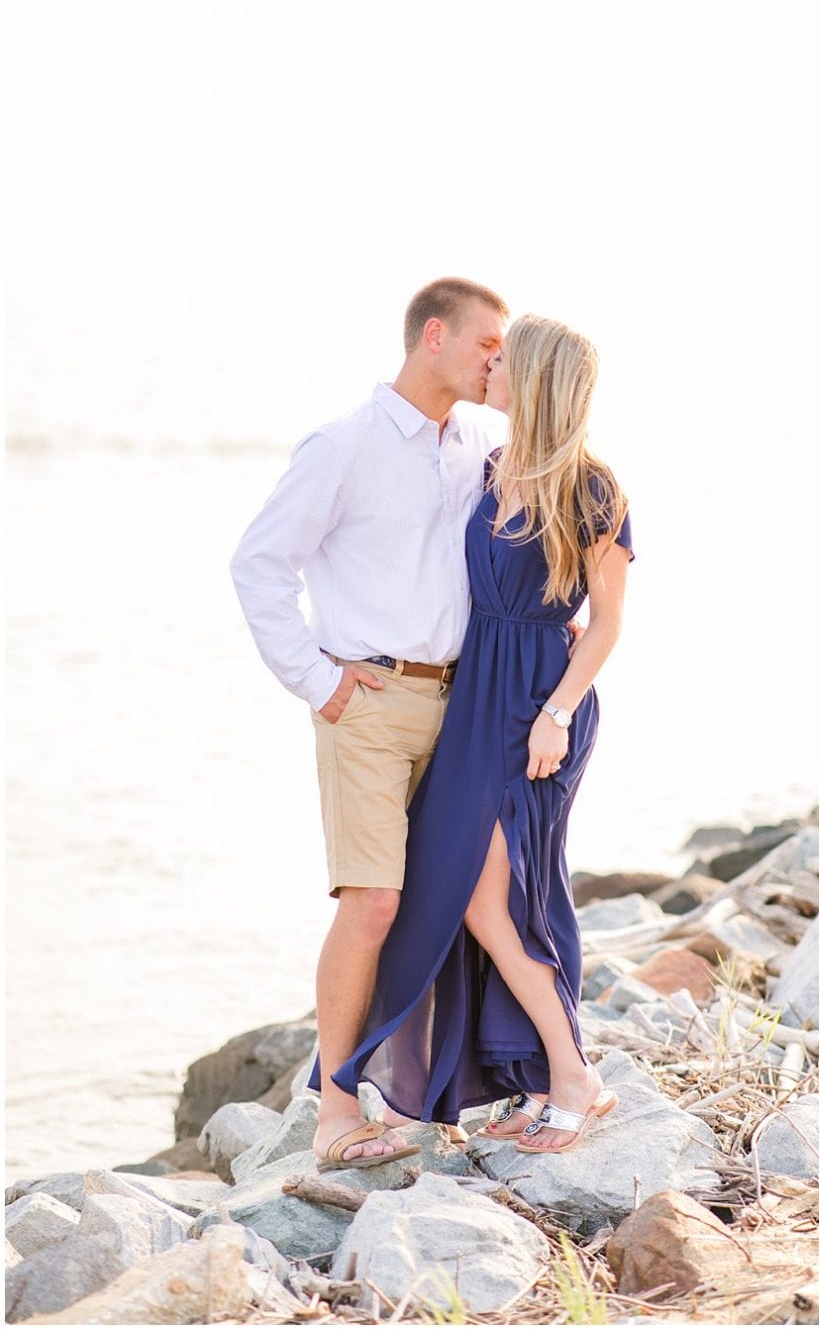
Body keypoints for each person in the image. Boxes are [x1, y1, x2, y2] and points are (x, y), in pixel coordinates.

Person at [322, 313, 633, 1154]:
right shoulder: (495, 467)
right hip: (474, 697)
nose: (487, 370)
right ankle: (530, 1072)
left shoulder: (592, 487)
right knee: (477, 894)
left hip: (538, 701)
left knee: (495, 899)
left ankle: (572, 1073)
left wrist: (557, 713)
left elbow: (604, 625)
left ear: (532, 380)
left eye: (502, 362)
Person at [231, 277, 507, 1169]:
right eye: (487, 346)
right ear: (435, 335)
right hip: (370, 704)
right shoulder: (342, 445)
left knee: (454, 901)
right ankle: (336, 1111)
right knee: (374, 902)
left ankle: (432, 1096)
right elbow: (259, 565)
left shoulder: (482, 445)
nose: (497, 361)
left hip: (461, 704)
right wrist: (317, 680)